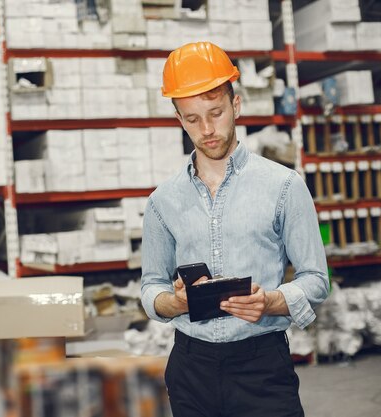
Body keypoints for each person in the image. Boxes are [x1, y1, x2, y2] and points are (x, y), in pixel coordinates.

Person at [140, 41, 329, 417]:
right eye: (192, 119)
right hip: (190, 368)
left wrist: (270, 301)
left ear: (236, 105)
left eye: (216, 112)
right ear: (178, 118)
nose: (207, 129)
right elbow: (151, 287)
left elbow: (316, 279)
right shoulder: (162, 201)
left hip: (261, 366)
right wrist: (173, 303)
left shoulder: (284, 186)